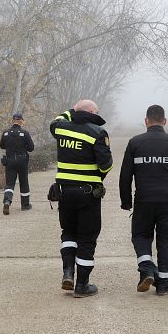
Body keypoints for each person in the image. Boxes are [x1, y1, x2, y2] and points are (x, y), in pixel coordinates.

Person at [119, 104, 168, 295]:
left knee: (141, 235)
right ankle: (163, 284)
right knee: (167, 240)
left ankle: (146, 268)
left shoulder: (135, 143)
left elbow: (125, 175)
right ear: (165, 121)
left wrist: (126, 200)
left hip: (143, 200)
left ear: (146, 121)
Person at [50, 99, 113, 298]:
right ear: (92, 113)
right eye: (96, 112)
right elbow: (105, 166)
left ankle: (68, 272)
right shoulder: (97, 132)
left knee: (68, 232)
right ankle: (82, 285)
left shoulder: (61, 128)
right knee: (87, 238)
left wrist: (74, 109)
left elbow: (57, 119)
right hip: (87, 195)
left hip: (65, 193)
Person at [0, 112, 35, 215]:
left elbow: (2, 146)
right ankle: (25, 205)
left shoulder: (5, 133)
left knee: (10, 183)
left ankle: (7, 201)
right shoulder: (25, 133)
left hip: (10, 161)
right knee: (23, 182)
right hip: (22, 161)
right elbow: (31, 148)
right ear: (21, 121)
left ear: (12, 121)